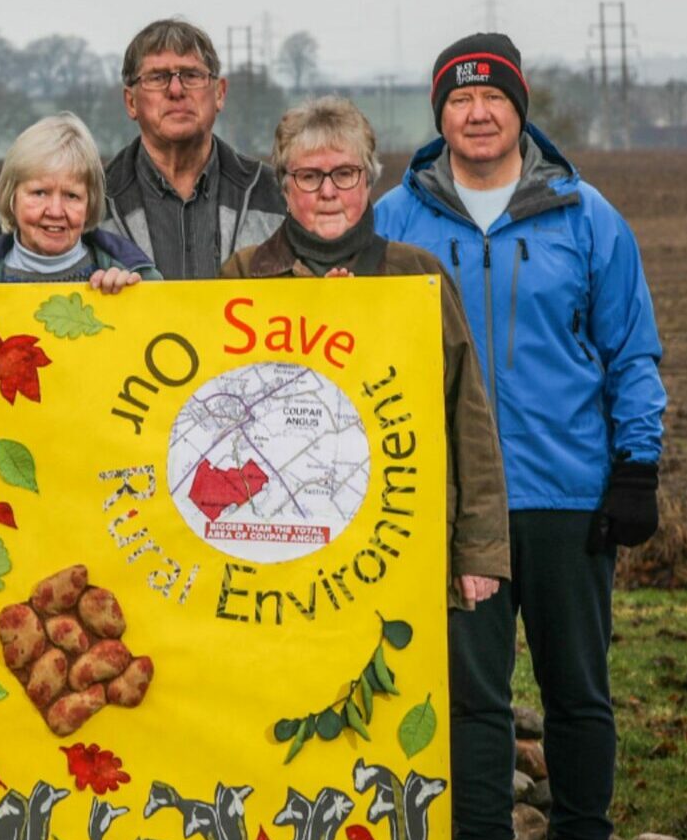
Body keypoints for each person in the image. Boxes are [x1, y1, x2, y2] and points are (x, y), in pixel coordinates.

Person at [374, 33, 667, 840]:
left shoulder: (586, 216)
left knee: (578, 689)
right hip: (454, 506)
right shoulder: (396, 219)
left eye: (493, 97)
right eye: (458, 99)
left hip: (566, 495)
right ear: (439, 115)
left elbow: (631, 350)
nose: (477, 112)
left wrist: (636, 466)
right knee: (473, 694)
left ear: (519, 107)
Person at [218, 96, 510, 616]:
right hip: (275, 536)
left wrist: (479, 550)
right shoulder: (241, 277)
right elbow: (218, 417)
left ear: (369, 181)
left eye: (345, 174)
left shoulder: (415, 275)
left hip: (398, 531)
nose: (328, 192)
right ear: (284, 187)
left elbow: (466, 414)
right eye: (309, 177)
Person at [102, 17, 286, 279]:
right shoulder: (94, 201)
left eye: (191, 75)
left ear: (220, 93)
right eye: (157, 77)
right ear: (130, 102)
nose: (176, 90)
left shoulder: (274, 193)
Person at [0, 112, 159, 290]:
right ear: (12, 197)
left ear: (89, 204)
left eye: (71, 196)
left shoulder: (128, 275)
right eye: (40, 193)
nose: (56, 211)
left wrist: (133, 301)